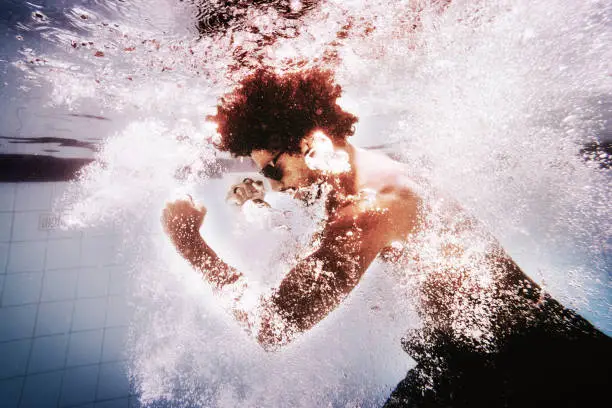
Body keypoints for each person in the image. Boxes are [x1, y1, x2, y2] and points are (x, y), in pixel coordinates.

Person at [162, 68, 610, 407]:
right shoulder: (363, 177)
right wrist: (258, 203)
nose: (277, 186)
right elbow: (320, 243)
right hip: (476, 355)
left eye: (273, 170)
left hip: (546, 366)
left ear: (312, 142)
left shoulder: (369, 209)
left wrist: (189, 243)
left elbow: (272, 326)